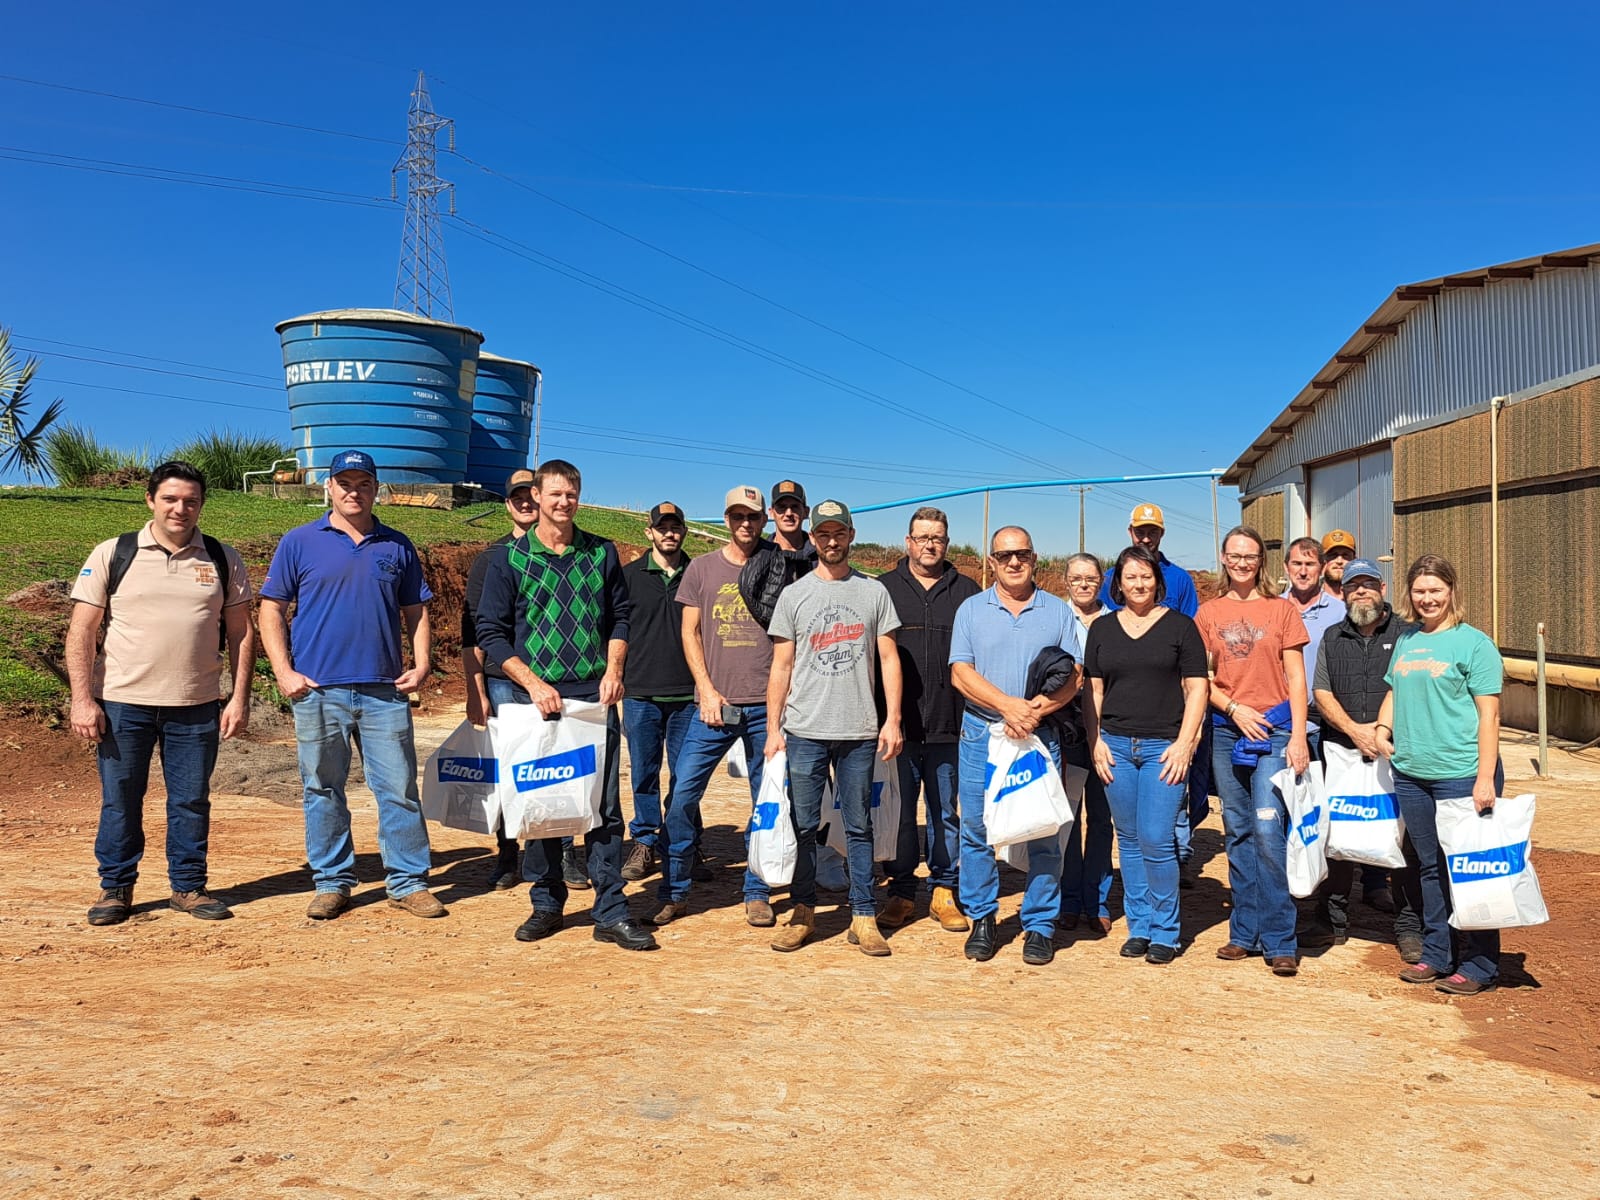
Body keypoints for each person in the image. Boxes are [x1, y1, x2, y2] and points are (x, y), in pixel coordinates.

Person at [475, 459, 655, 951]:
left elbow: (620, 617)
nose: (563, 502)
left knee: (602, 806)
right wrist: (531, 684)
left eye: (571, 494)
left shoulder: (600, 553)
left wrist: (614, 671)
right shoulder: (510, 559)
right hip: (537, 700)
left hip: (592, 698)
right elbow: (490, 632)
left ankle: (611, 911)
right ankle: (546, 904)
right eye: (554, 494)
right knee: (545, 806)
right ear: (536, 497)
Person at [259, 450, 444, 920]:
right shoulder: (300, 542)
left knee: (399, 787)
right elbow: (271, 609)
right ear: (329, 487)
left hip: (384, 690)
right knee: (322, 786)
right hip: (318, 689)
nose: (353, 491)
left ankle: (408, 881)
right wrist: (284, 671)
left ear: (376, 488)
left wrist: (422, 663)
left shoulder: (397, 545)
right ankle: (332, 881)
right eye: (344, 482)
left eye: (363, 483)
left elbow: (416, 611)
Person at [68, 461, 254, 925]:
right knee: (121, 797)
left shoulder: (220, 556)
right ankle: (116, 890)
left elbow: (242, 632)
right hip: (122, 703)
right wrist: (82, 698)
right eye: (170, 498)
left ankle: (188, 888)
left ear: (202, 505)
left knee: (191, 799)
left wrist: (239, 696)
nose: (181, 508)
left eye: (191, 500)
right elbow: (82, 631)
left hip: (196, 705)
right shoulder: (115, 552)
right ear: (150, 500)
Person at [764, 500, 904, 956]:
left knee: (859, 825)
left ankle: (863, 915)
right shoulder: (795, 594)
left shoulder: (873, 592)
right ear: (813, 536)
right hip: (805, 729)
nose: (830, 541)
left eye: (838, 533)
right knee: (805, 824)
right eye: (822, 533)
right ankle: (803, 911)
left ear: (850, 535)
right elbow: (781, 667)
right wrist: (773, 728)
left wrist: (893, 719)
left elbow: (888, 658)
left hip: (859, 729)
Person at [950, 525, 1082, 966]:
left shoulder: (1057, 612)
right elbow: (960, 674)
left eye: (1021, 554)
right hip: (982, 734)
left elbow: (1073, 676)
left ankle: (1040, 924)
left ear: (1034, 558)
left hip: (1038, 735)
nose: (1013, 562)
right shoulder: (971, 609)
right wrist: (1009, 707)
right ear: (991, 561)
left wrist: (1036, 710)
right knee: (977, 831)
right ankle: (983, 918)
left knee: (1043, 830)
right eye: (1004, 555)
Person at [1376, 554, 1506, 996]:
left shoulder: (1474, 644)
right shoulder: (1408, 639)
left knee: (1469, 869)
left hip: (1462, 774)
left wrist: (1484, 777)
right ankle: (1437, 952)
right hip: (1412, 773)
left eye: (1435, 590)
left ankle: (1481, 963)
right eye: (1419, 590)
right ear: (1409, 594)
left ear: (1451, 591)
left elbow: (1490, 716)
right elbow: (1395, 689)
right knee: (1429, 867)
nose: (1427, 598)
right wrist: (1382, 727)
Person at [650, 485, 776, 927]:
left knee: (767, 803)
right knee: (683, 795)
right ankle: (675, 889)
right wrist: (705, 688)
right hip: (713, 707)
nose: (746, 523)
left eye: (753, 516)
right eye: (738, 516)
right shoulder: (702, 570)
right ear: (726, 519)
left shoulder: (777, 567)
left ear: (764, 521)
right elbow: (691, 633)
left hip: (766, 707)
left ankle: (757, 891)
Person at [1084, 545, 1209, 964]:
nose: (1138, 584)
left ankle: (1166, 930)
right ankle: (1138, 926)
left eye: (1146, 576)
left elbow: (1197, 689)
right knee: (1130, 841)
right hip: (1115, 746)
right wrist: (1095, 740)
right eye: (1130, 577)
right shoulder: (1102, 630)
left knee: (1157, 839)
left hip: (1163, 747)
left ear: (1157, 581)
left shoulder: (1180, 628)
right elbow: (1093, 691)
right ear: (1117, 583)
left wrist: (1186, 744)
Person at [1196, 525, 1310, 978]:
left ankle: (1280, 937)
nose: (1242, 562)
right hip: (1228, 731)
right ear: (1224, 559)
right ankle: (1244, 931)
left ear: (1261, 561)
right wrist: (1234, 708)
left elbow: (1298, 679)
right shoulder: (1208, 613)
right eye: (1234, 555)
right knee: (1238, 831)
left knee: (1268, 830)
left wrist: (1299, 735)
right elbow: (1201, 679)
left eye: (1250, 555)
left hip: (1275, 731)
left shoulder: (1281, 611)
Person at [1307, 557, 1423, 959]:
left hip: (1397, 753)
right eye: (1353, 585)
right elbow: (1321, 692)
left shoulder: (1409, 635)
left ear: (1383, 589)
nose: (1361, 591)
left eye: (1369, 584)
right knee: (1337, 837)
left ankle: (1409, 926)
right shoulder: (1332, 637)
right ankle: (1331, 919)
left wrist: (1380, 730)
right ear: (1341, 592)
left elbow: (1411, 690)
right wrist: (1355, 731)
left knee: (1403, 841)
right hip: (1341, 751)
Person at [875, 506, 980, 933]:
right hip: (896, 727)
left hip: (949, 726)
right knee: (898, 814)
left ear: (947, 542)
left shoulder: (968, 592)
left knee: (944, 813)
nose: (930, 544)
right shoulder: (882, 590)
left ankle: (943, 890)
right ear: (908, 542)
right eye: (922, 537)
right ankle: (901, 892)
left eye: (937, 537)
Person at [1097, 502, 1208, 885]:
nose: (1146, 536)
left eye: (1153, 531)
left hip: (1166, 719)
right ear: (1131, 532)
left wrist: (1187, 735)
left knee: (1161, 829)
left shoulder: (1180, 580)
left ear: (1162, 534)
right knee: (1130, 834)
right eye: (1140, 531)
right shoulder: (1113, 577)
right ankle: (1141, 918)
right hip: (1122, 724)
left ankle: (1178, 863)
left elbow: (1191, 661)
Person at [461, 467, 544, 890]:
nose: (527, 502)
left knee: (555, 769)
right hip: (503, 682)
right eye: (518, 497)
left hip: (555, 682)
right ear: (508, 504)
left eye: (533, 494)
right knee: (509, 772)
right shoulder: (490, 559)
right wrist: (475, 691)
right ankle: (508, 855)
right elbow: (473, 632)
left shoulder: (566, 553)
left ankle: (562, 856)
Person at [619, 502, 696, 883]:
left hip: (689, 695)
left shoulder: (699, 575)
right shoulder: (628, 576)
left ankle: (682, 845)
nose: (669, 533)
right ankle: (645, 841)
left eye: (675, 527)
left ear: (684, 531)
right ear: (648, 532)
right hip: (640, 694)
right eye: (661, 527)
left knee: (687, 777)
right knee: (644, 774)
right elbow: (613, 631)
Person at [1058, 552, 1115, 935]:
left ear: (1101, 582)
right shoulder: (1053, 618)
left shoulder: (1116, 622)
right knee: (1067, 818)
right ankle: (1068, 900)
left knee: (1101, 818)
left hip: (1109, 731)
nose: (1083, 584)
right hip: (1065, 731)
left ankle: (1097, 900)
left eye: (1091, 579)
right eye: (1076, 578)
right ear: (1066, 581)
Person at [1281, 537, 1345, 757]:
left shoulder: (1341, 613)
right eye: (1297, 564)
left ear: (1323, 567)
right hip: (1279, 722)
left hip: (1322, 722)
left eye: (1310, 564)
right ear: (1286, 567)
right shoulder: (1272, 608)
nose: (1303, 572)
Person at [738, 479, 816, 628]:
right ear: (771, 513)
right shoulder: (757, 555)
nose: (788, 513)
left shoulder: (820, 557)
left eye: (795, 507)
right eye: (781, 507)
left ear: (806, 512)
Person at [1321, 530, 1358, 600]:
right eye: (1333, 555)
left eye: (1345, 555)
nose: (1339, 561)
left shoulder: (1363, 597)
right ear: (1322, 561)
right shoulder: (1308, 598)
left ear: (1354, 560)